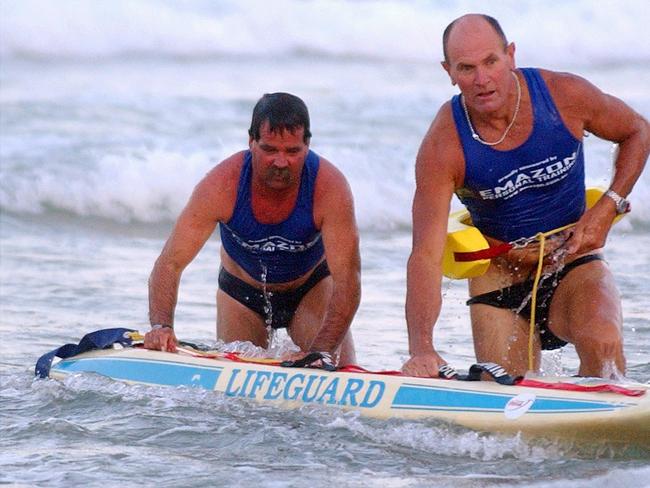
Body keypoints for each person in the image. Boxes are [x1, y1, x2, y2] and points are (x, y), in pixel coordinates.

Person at [403, 14, 649, 378]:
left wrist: (606, 207)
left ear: (511, 55)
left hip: (572, 260)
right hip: (500, 277)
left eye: (491, 61)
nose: (482, 79)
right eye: (467, 68)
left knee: (603, 347)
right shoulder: (444, 145)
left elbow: (638, 131)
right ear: (449, 72)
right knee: (509, 397)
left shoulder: (564, 96)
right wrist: (422, 349)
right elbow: (425, 253)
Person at [144, 92, 360, 365]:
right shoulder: (222, 185)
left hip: (310, 290)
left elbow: (348, 282)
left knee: (337, 370)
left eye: (292, 152)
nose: (281, 162)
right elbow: (169, 263)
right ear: (251, 142)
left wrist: (322, 351)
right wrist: (161, 327)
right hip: (242, 295)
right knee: (236, 397)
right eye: (270, 149)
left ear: (307, 145)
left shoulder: (330, 188)